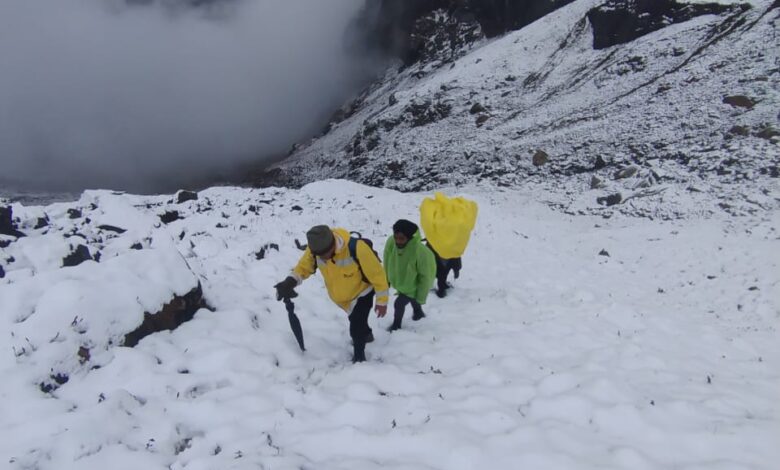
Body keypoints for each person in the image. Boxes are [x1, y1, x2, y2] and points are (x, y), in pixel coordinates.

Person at [274, 225, 389, 363]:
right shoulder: (315, 250)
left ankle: (359, 358)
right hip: (343, 297)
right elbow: (303, 267)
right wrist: (290, 282)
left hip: (362, 292)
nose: (323, 257)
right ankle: (367, 335)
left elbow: (378, 276)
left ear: (333, 243)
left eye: (326, 253)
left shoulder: (358, 249)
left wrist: (382, 301)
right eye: (320, 255)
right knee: (356, 320)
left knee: (355, 327)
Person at [383, 219, 436, 331]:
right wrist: (386, 278)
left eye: (402, 238)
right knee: (413, 299)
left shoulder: (420, 252)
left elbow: (425, 276)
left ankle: (396, 325)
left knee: (399, 303)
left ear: (410, 237)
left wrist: (421, 296)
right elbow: (387, 259)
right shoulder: (391, 242)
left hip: (414, 284)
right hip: (402, 282)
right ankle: (418, 312)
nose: (398, 241)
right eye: (396, 237)